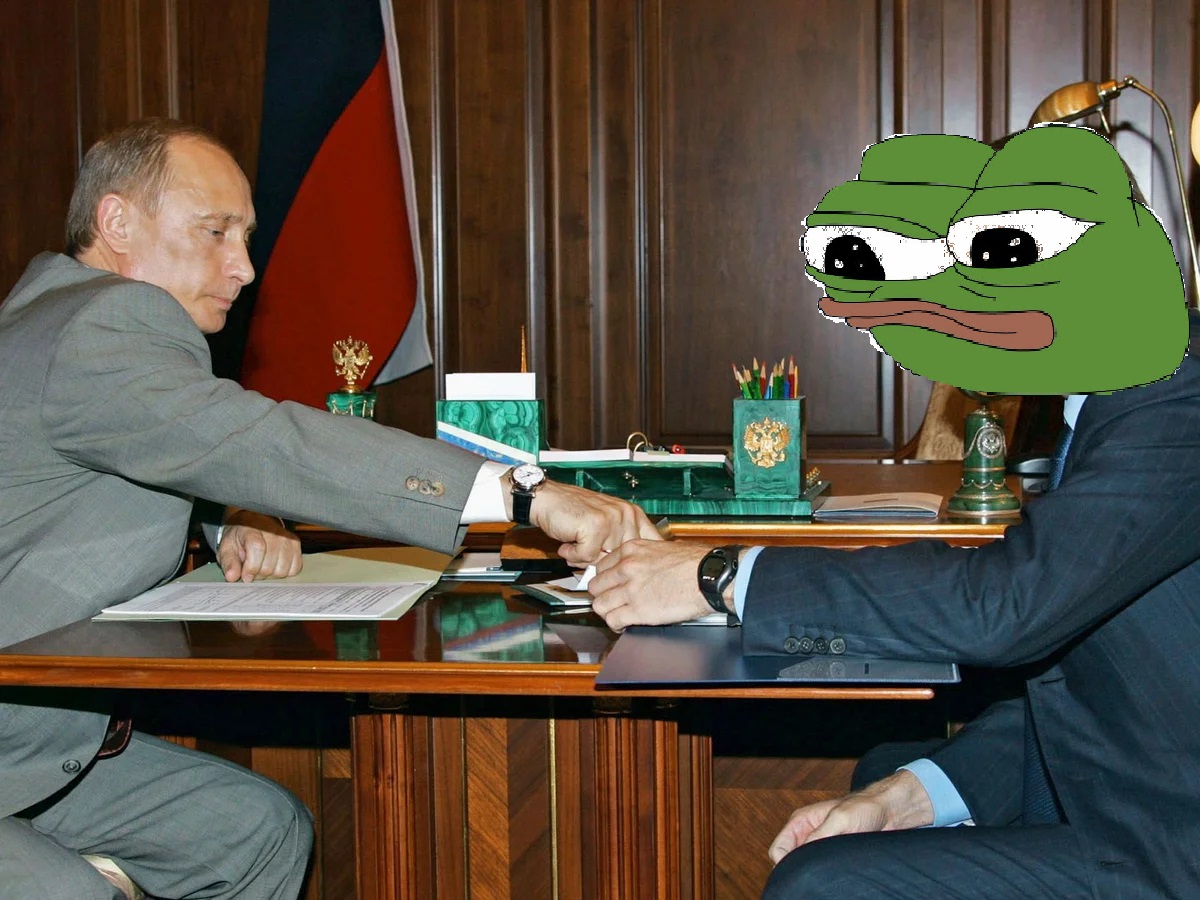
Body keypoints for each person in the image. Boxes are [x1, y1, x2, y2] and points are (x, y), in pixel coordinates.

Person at [0, 118, 659, 900]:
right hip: (21, 743)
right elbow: (262, 440)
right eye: (215, 231)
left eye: (246, 237)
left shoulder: (52, 318)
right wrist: (520, 492)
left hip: (38, 742)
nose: (244, 267)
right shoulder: (105, 322)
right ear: (115, 222)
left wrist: (229, 512)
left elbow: (137, 442)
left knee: (256, 832)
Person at [589, 131, 1200, 895]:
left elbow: (1008, 607)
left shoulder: (1176, 399)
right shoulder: (1122, 393)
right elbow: (1081, 678)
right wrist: (908, 796)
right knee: (883, 770)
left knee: (819, 884)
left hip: (1172, 847)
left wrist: (721, 577)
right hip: (1149, 790)